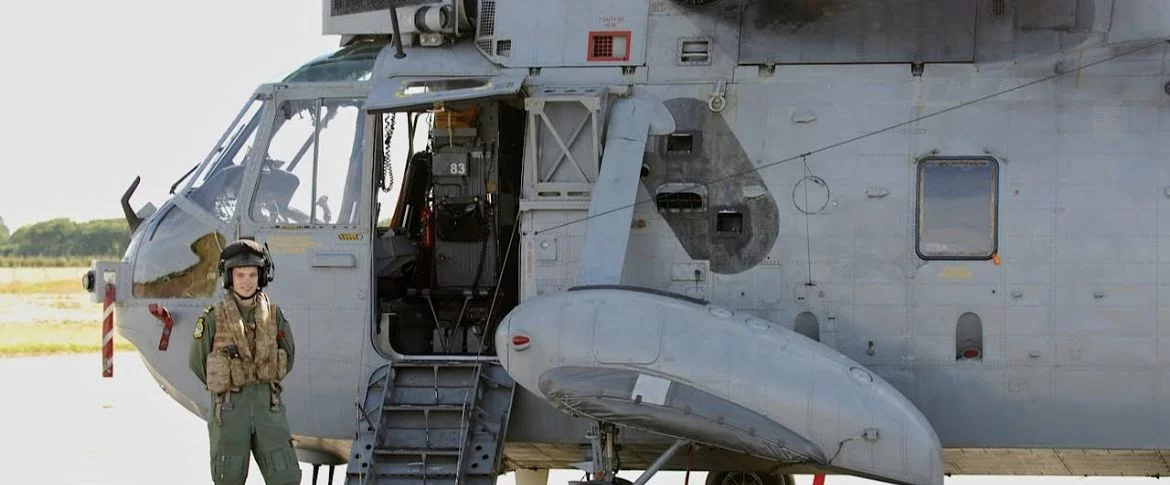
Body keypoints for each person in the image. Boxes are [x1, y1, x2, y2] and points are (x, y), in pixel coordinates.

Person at [189, 239, 300, 485]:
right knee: (228, 477)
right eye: (240, 275)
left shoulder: (274, 315)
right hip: (230, 409)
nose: (247, 281)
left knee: (286, 476)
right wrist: (225, 382)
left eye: (252, 274)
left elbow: (288, 354)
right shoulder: (213, 318)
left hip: (267, 407)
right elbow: (197, 361)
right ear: (229, 278)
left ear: (261, 276)